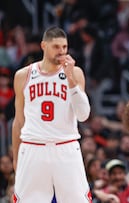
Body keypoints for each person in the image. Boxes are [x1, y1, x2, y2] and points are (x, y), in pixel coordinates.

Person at [12, 26, 92, 202]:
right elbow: (18, 122)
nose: (61, 52)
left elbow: (83, 115)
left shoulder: (75, 73)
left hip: (66, 146)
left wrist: (70, 79)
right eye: (56, 47)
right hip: (33, 147)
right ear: (43, 46)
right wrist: (16, 158)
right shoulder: (23, 76)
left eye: (64, 47)